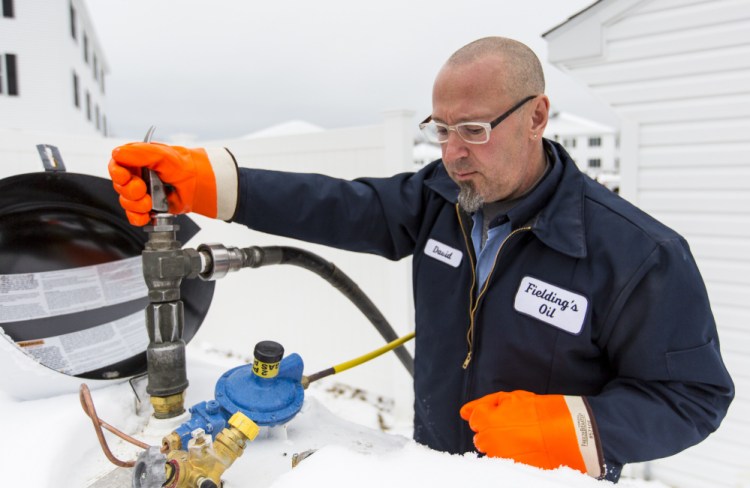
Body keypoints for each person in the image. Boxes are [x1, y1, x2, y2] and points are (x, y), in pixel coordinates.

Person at [108, 37, 734, 482]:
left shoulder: (637, 254)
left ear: (537, 116)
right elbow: (338, 206)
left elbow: (694, 396)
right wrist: (213, 182)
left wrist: (575, 428)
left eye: (475, 130)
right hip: (432, 466)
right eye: (442, 129)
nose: (454, 152)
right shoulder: (442, 200)